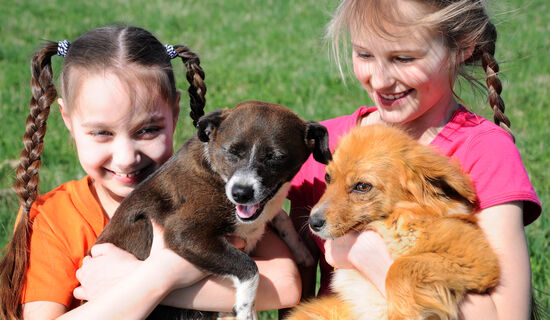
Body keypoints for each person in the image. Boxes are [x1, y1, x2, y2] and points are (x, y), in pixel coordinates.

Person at [0, 25, 301, 320]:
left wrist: (156, 276)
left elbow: (286, 286)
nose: (126, 157)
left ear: (174, 112)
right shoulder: (55, 217)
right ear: (67, 119)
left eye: (147, 130)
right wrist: (158, 278)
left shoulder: (225, 191)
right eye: (102, 133)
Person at [287, 0, 541, 319]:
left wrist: (375, 260)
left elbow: (509, 314)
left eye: (403, 58)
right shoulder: (325, 142)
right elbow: (291, 280)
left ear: (462, 46)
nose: (380, 80)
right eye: (364, 54)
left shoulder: (486, 152)